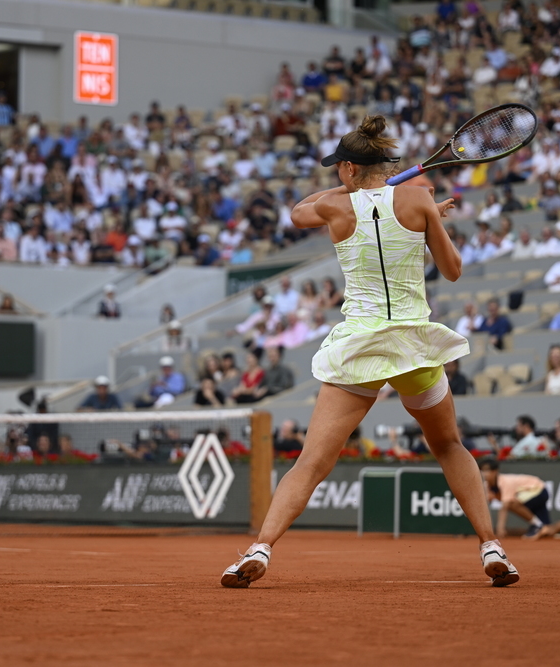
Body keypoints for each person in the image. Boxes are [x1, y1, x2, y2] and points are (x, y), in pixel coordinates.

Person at [222, 116, 519, 590]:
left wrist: (348, 191)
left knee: (312, 462)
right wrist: (426, 222)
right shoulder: (419, 197)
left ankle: (261, 547)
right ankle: (491, 545)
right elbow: (454, 269)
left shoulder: (334, 207)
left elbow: (299, 211)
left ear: (346, 168)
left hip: (359, 347)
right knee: (448, 446)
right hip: (414, 348)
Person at [479, 459, 560, 540]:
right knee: (548, 531)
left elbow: (505, 507)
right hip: (531, 495)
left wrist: (500, 529)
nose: (484, 474)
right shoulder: (487, 487)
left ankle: (537, 525)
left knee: (512, 503)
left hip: (538, 490)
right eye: (482, 471)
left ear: (495, 471)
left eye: (487, 470)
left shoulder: (505, 482)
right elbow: (483, 505)